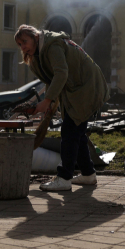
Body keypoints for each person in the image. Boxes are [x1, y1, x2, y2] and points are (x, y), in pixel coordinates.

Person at [14, 24, 109, 191]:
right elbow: (51, 80)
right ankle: (88, 174)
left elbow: (61, 73)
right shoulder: (39, 54)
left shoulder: (52, 45)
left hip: (87, 87)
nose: (23, 47)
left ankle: (64, 178)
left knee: (69, 131)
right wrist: (48, 105)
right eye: (20, 44)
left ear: (36, 37)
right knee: (77, 134)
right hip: (76, 90)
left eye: (24, 41)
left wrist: (47, 100)